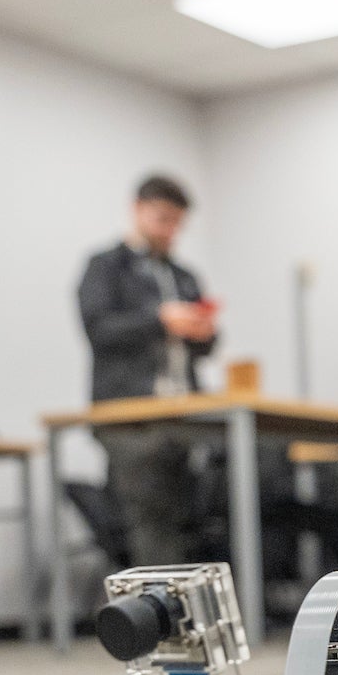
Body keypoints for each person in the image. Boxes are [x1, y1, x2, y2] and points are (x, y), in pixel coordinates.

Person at [76, 175, 220, 567]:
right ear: (137, 209)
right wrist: (159, 320)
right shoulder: (105, 268)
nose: (170, 232)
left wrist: (202, 331)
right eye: (163, 219)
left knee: (199, 510)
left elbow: (205, 350)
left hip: (183, 412)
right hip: (129, 416)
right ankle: (153, 617)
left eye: (178, 224)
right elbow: (99, 330)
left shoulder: (183, 277)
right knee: (148, 515)